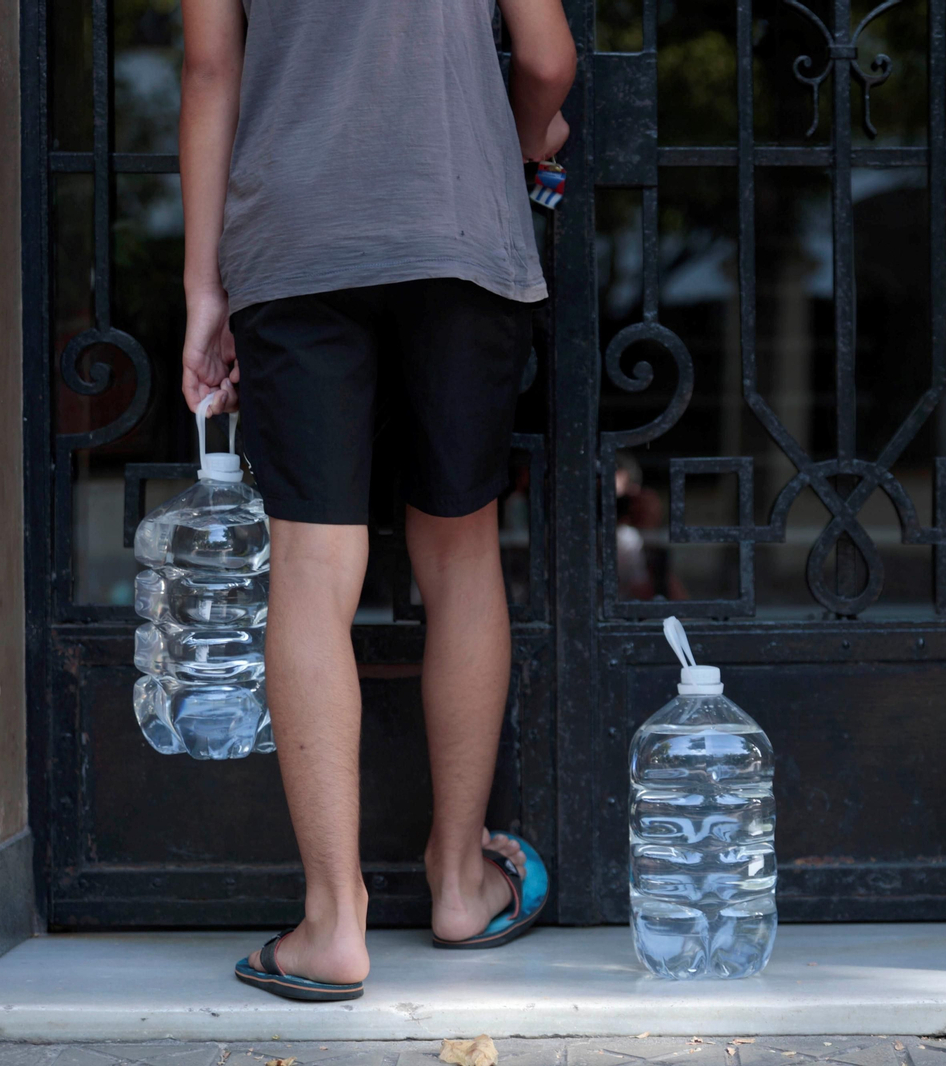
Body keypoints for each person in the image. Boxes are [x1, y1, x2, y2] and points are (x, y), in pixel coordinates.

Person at [177, 0, 575, 1000]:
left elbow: (209, 73)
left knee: (313, 569)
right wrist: (524, 143)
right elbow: (547, 59)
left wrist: (202, 291)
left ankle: (332, 924)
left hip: (295, 244)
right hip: (458, 226)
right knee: (461, 550)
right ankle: (460, 883)